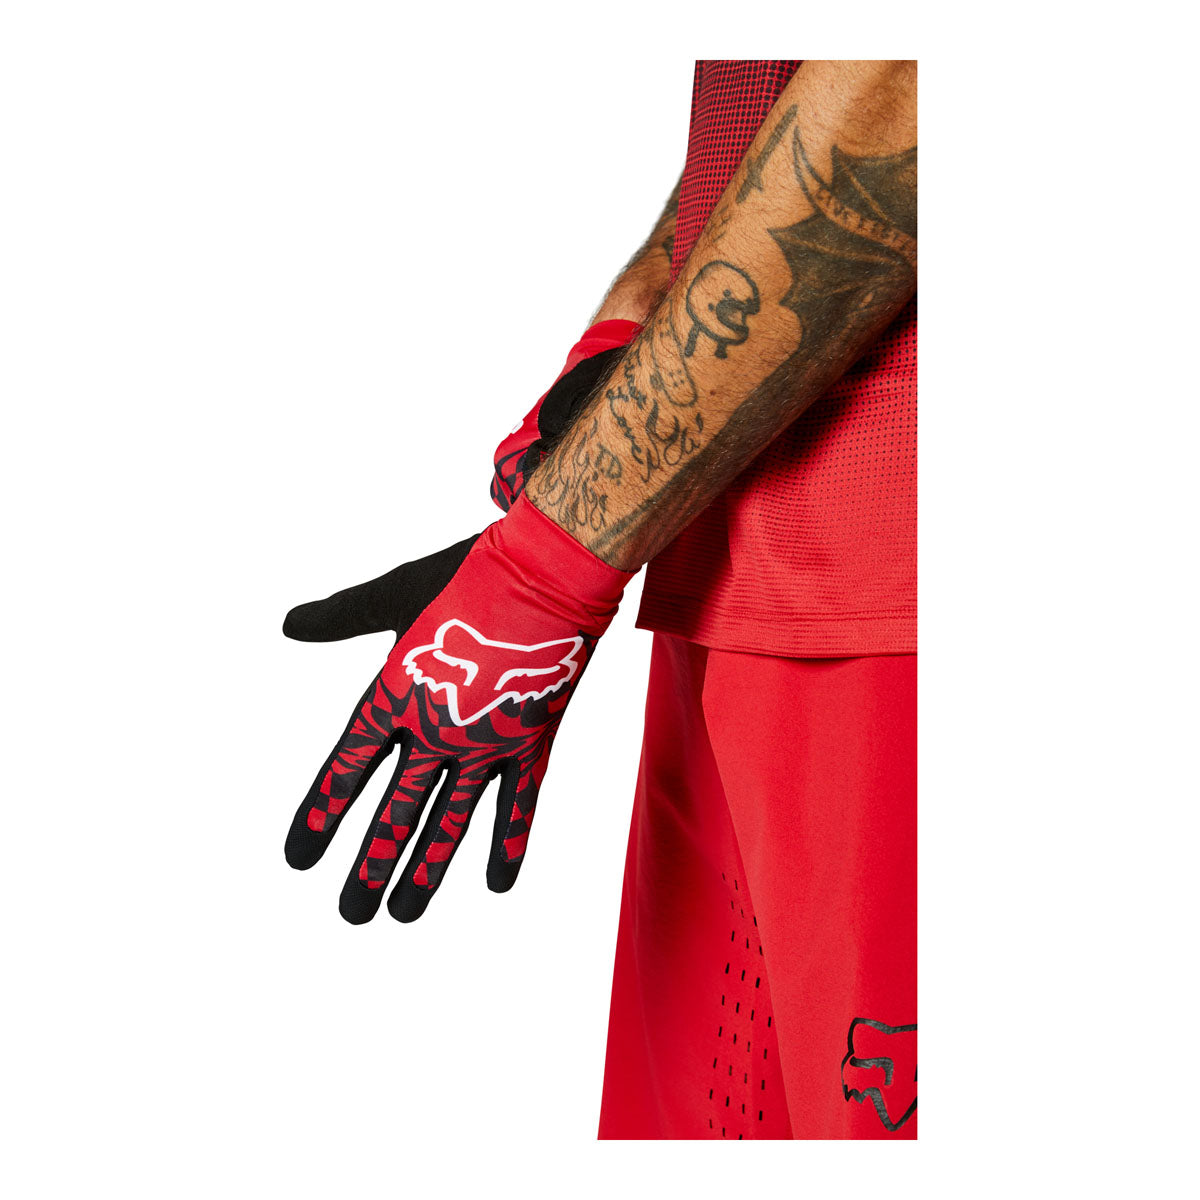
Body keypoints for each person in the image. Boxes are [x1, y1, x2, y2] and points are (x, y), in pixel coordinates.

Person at [281, 59, 917, 1140]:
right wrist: (617, 358)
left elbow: (907, 84)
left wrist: (543, 567)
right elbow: (792, 90)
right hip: (733, 555)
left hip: (905, 599)